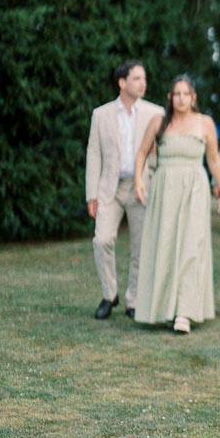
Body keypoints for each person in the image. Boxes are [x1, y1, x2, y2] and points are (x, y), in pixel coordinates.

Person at [133, 75, 220, 333]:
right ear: (170, 97)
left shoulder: (205, 123)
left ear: (193, 97)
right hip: (165, 190)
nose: (181, 99)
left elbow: (214, 161)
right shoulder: (158, 122)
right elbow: (142, 153)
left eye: (185, 94)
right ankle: (166, 307)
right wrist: (138, 181)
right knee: (165, 246)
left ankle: (185, 313)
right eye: (176, 94)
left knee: (191, 247)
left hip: (194, 191)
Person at [85, 60, 164, 320]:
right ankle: (110, 295)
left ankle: (134, 300)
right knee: (102, 240)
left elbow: (162, 152)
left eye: (144, 78)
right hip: (110, 188)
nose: (143, 83)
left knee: (140, 247)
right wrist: (92, 195)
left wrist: (152, 167)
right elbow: (94, 154)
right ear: (122, 82)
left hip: (141, 187)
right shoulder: (101, 114)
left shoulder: (156, 113)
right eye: (137, 78)